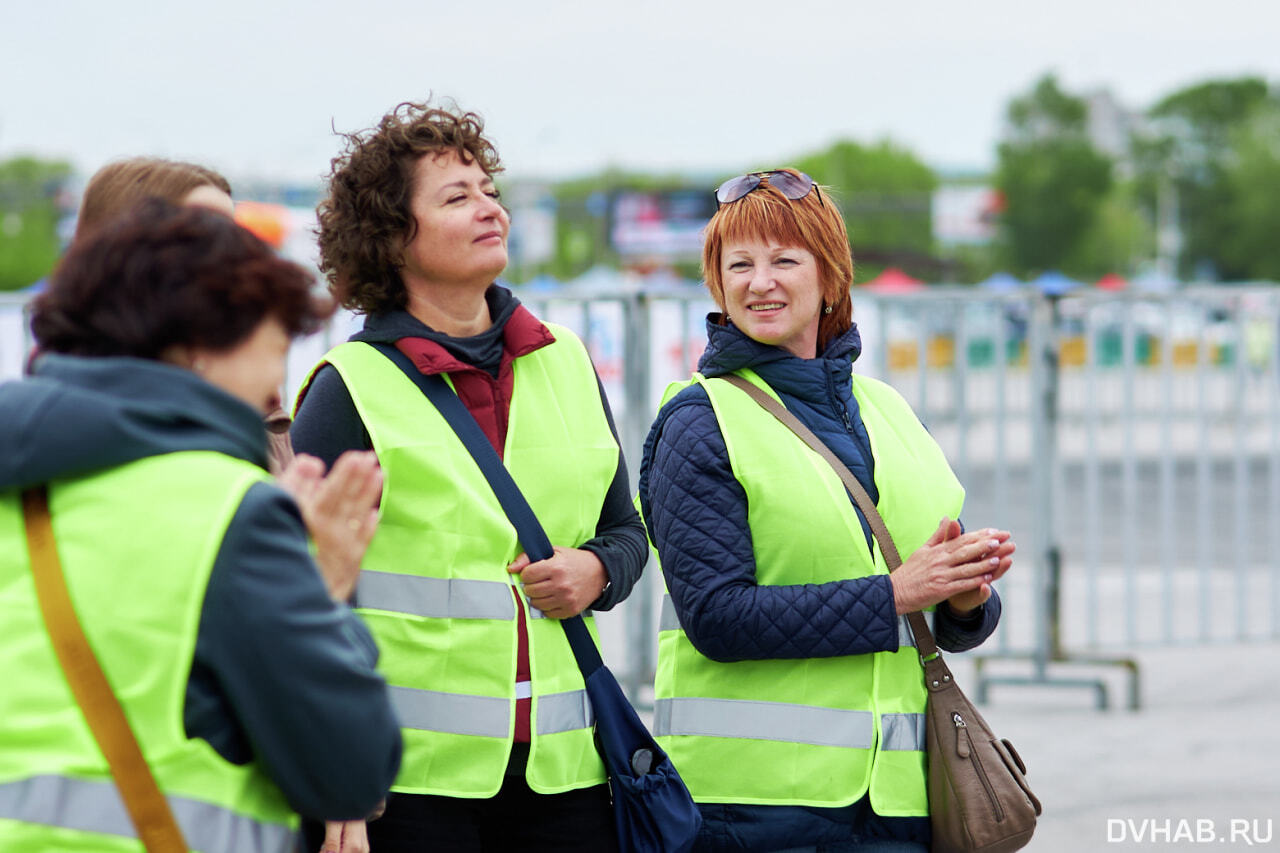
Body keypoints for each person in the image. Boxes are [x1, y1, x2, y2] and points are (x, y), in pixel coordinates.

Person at [290, 101, 649, 852]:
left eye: (489, 191)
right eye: (456, 197)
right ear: (392, 238)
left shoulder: (569, 361)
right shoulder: (347, 389)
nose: (489, 208)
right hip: (411, 789)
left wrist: (596, 570)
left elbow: (626, 531)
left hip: (567, 775)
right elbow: (307, 603)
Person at [0, 201, 402, 853]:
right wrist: (323, 595)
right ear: (198, 347)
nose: (276, 387)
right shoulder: (230, 509)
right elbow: (349, 767)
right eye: (272, 352)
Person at [638, 169, 1016, 853]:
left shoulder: (889, 411)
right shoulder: (699, 420)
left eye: (785, 260)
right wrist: (895, 594)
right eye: (740, 264)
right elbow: (717, 617)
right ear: (717, 283)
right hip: (754, 808)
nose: (761, 282)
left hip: (900, 800)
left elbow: (933, 615)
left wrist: (965, 599)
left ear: (831, 277)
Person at [73, 157, 296, 471]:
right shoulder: (67, 424)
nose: (232, 259)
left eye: (233, 237)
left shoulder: (254, 398)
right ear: (123, 255)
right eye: (201, 239)